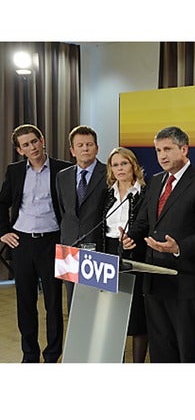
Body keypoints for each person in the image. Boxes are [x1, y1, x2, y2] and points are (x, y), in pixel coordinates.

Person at [122, 126, 195, 363]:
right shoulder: (156, 181)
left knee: (186, 348)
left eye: (167, 149)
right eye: (158, 150)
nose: (162, 155)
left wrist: (178, 248)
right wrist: (130, 237)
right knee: (160, 346)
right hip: (154, 277)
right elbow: (144, 221)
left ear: (184, 149)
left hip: (184, 279)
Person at [0, 124, 72, 363]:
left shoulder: (64, 169)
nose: (32, 147)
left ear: (42, 140)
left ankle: (52, 355)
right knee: (25, 302)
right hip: (22, 243)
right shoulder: (15, 171)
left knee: (54, 303)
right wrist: (3, 232)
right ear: (20, 150)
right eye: (26, 145)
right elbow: (3, 202)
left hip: (53, 242)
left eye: (34, 141)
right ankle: (29, 354)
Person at [102, 147, 148, 363]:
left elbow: (148, 224)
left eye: (124, 163)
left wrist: (133, 240)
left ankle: (138, 363)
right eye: (115, 165)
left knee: (137, 314)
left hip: (134, 252)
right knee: (114, 314)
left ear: (133, 165)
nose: (120, 168)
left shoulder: (144, 193)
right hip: (109, 253)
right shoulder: (107, 194)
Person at [56, 125, 107, 312]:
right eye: (80, 145)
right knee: (73, 301)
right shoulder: (62, 176)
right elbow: (64, 211)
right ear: (72, 150)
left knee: (96, 303)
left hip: (97, 247)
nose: (85, 148)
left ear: (97, 148)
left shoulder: (110, 173)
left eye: (89, 144)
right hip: (69, 247)